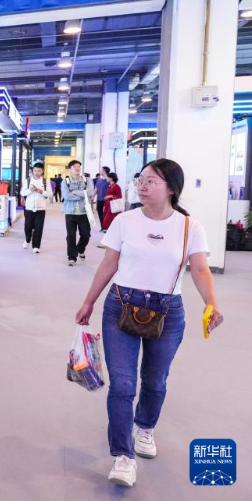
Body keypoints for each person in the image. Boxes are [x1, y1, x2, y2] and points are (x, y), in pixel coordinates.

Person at [74, 158, 224, 488]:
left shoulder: (190, 227)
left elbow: (200, 269)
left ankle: (144, 427)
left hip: (168, 312)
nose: (142, 185)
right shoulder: (125, 221)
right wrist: (89, 301)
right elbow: (109, 263)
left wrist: (211, 303)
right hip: (120, 305)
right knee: (123, 385)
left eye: (151, 181)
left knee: (155, 381)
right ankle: (123, 457)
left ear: (171, 188)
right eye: (140, 179)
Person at [61, 160, 92, 266]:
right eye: (75, 167)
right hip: (70, 212)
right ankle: (72, 257)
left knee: (86, 235)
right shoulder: (65, 181)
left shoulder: (87, 180)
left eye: (79, 166)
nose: (77, 168)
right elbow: (66, 196)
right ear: (70, 169)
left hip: (84, 212)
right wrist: (82, 194)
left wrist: (75, 192)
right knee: (71, 235)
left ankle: (80, 249)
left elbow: (90, 193)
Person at [20, 162, 53, 253]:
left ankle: (36, 246)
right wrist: (30, 191)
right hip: (29, 208)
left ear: (42, 171)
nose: (37, 173)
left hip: (40, 209)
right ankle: (27, 240)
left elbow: (50, 194)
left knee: (38, 228)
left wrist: (42, 192)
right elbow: (22, 192)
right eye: (35, 170)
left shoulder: (45, 181)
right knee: (27, 227)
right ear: (32, 171)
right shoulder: (28, 180)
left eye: (39, 171)